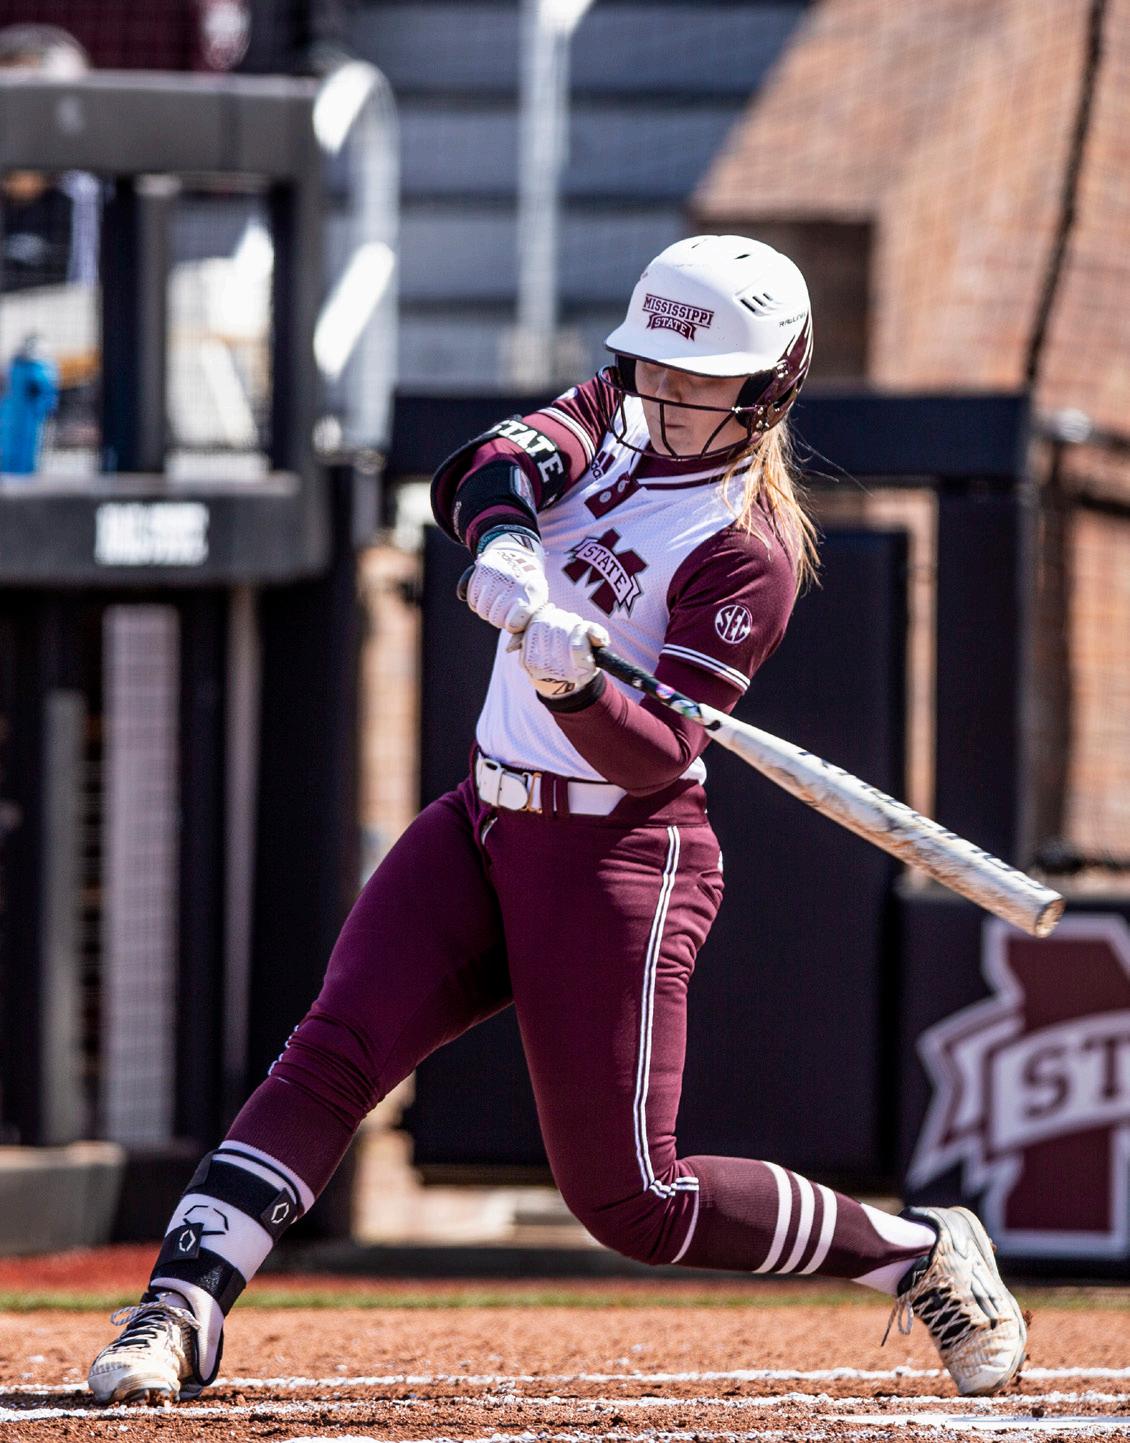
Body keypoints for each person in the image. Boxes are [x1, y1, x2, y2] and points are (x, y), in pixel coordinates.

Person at [87, 235, 1026, 1404]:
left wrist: (572, 682)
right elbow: (479, 468)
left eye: (701, 381)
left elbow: (656, 754)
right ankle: (178, 1312)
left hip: (618, 857)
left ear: (766, 387)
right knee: (332, 1051)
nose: (666, 398)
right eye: (654, 370)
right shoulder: (607, 415)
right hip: (481, 820)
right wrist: (508, 542)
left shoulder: (746, 551)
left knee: (633, 1202)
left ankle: (918, 1255)